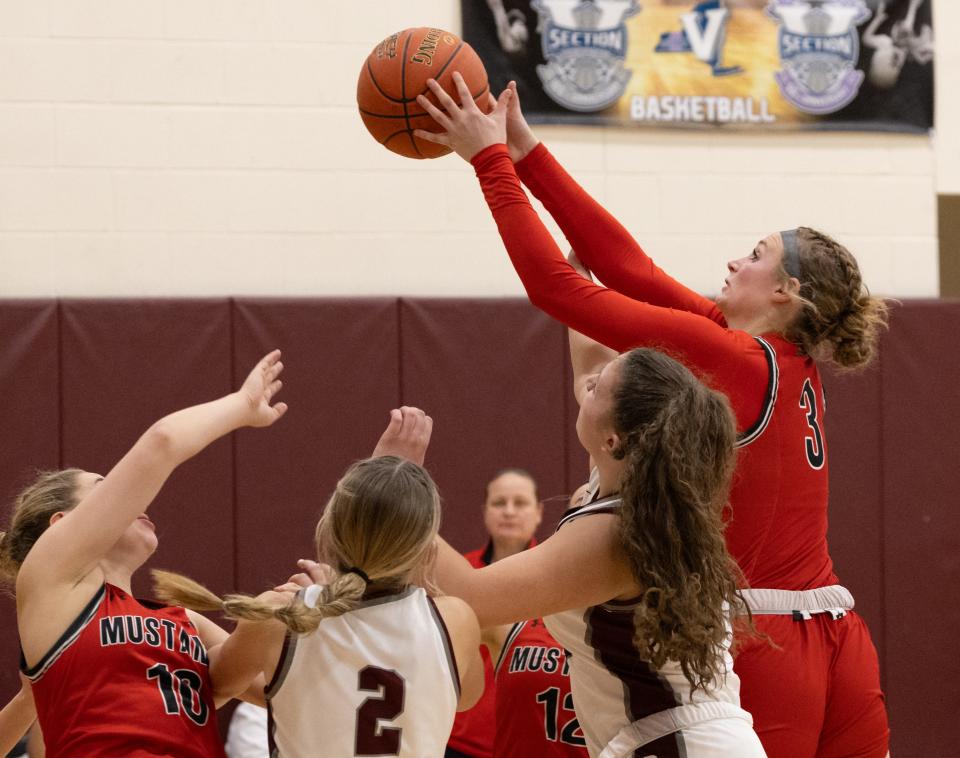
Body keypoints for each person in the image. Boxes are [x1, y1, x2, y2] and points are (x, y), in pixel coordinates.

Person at [414, 75, 889, 757]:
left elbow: (558, 286)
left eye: (755, 255)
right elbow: (626, 264)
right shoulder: (774, 357)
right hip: (837, 630)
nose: (733, 260)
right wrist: (526, 151)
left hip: (766, 636)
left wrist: (488, 164)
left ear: (785, 291)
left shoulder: (740, 358)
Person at [433, 345, 766, 756]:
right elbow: (591, 356)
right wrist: (568, 279)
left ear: (613, 439)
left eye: (597, 390)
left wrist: (390, 493)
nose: (589, 382)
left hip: (676, 745)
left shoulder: (614, 536)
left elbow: (469, 596)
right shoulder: (637, 486)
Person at [0, 350, 288, 757]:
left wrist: (276, 616)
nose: (128, 496)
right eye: (104, 486)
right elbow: (162, 443)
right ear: (60, 524)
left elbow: (266, 687)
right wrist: (240, 406)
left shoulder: (182, 620)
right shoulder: (51, 582)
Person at [152, 408, 486, 758]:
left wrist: (210, 626)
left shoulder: (279, 615)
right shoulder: (456, 620)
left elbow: (215, 686)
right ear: (427, 548)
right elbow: (463, 698)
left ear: (328, 529)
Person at [448, 469, 544, 758]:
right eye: (499, 503)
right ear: (485, 512)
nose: (509, 512)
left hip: (528, 744)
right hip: (458, 744)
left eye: (521, 503)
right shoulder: (459, 574)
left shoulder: (558, 579)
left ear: (539, 512)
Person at [863, 0, 933, 89]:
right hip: (908, 34)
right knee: (918, 46)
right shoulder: (898, 56)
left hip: (896, 24)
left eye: (893, 63)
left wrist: (878, 19)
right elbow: (907, 51)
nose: (898, 63)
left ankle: (913, 5)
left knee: (906, 32)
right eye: (898, 68)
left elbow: (866, 38)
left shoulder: (883, 44)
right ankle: (914, 8)